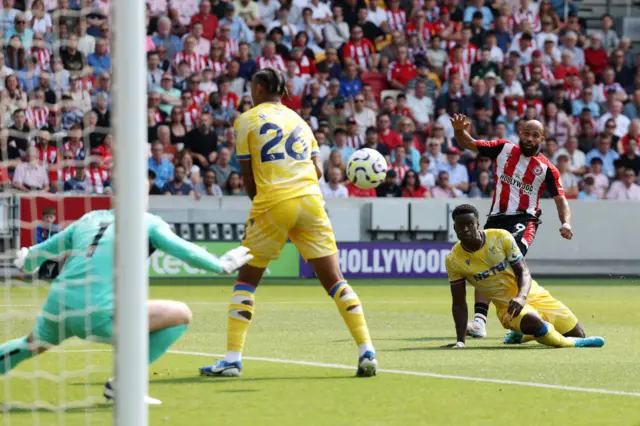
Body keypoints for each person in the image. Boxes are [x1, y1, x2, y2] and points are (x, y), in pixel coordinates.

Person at [199, 68, 377, 378]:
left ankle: (231, 358)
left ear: (260, 87)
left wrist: (261, 207)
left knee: (246, 281)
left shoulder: (246, 120)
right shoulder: (301, 122)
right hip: (311, 201)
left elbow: (249, 177)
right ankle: (367, 350)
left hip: (274, 201)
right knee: (335, 280)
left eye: (252, 86)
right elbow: (318, 170)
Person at [4, 185, 254, 404]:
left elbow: (37, 254)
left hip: (58, 303)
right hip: (100, 314)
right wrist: (219, 265)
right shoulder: (148, 222)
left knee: (30, 345)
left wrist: (26, 259)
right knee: (181, 314)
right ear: (141, 197)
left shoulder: (89, 218)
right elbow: (184, 250)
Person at [450, 114, 573, 339]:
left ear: (541, 139)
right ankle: (482, 321)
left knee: (503, 261)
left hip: (523, 220)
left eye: (535, 135)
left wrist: (565, 221)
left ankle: (517, 315)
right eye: (526, 133)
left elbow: (560, 199)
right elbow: (468, 142)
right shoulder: (503, 149)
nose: (529, 138)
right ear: (519, 134)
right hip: (496, 217)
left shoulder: (547, 169)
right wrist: (459, 130)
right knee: (483, 261)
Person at [443, 204, 605, 349]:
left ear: (477, 224)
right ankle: (572, 344)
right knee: (537, 324)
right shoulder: (454, 260)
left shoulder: (500, 237)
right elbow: (459, 303)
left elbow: (523, 271)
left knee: (578, 332)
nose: (465, 230)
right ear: (455, 228)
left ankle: (522, 334)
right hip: (508, 308)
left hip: (532, 294)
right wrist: (460, 341)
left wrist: (521, 297)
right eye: (460, 226)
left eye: (469, 225)